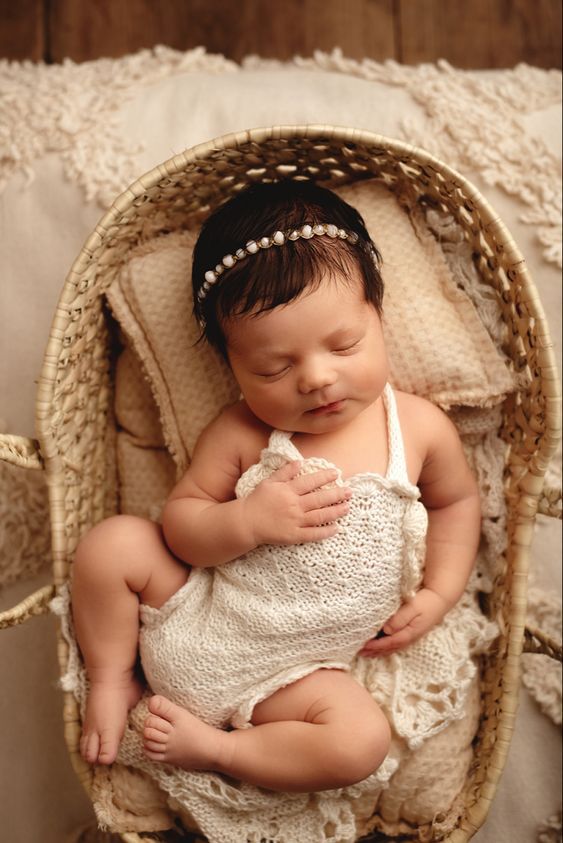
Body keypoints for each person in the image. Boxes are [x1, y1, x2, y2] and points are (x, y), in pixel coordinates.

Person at [71, 180, 481, 793]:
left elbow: (457, 502)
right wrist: (247, 522)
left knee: (360, 741)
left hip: (295, 680)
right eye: (273, 367)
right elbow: (182, 525)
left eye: (345, 344)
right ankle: (111, 677)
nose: (317, 378)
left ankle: (218, 749)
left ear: (380, 317)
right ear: (231, 366)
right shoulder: (241, 431)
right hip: (194, 613)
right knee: (112, 545)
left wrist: (440, 593)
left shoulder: (417, 428)